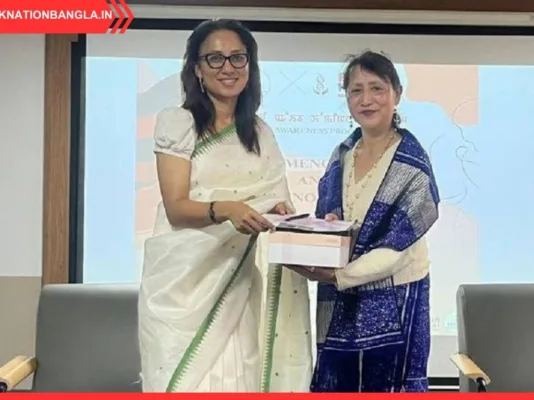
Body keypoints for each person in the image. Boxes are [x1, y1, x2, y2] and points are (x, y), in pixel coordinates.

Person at [137, 19, 313, 393]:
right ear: (197, 69)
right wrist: (226, 209)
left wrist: (280, 212)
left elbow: (276, 200)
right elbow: (176, 208)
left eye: (238, 57)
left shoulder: (260, 133)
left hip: (241, 282)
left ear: (250, 66)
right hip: (185, 286)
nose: (227, 67)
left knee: (239, 377)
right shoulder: (179, 123)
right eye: (215, 58)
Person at [287, 51, 440, 392]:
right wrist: (329, 228)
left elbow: (398, 249)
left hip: (396, 297)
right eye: (356, 90)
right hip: (341, 297)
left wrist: (338, 275)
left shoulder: (412, 163)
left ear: (397, 94)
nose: (366, 100)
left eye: (377, 88)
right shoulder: (342, 154)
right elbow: (333, 219)